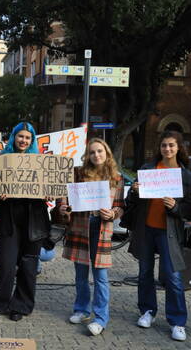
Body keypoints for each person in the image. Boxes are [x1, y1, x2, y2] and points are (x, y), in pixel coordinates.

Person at [125, 130, 191, 341]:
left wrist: (176, 207)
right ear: (159, 148)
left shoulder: (186, 175)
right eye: (164, 145)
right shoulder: (148, 169)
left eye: (171, 145)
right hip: (147, 229)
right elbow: (134, 203)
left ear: (179, 148)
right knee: (145, 272)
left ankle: (177, 321)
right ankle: (147, 311)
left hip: (170, 233)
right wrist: (134, 191)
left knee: (173, 277)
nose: (167, 149)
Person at [55, 138, 125, 336]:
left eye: (100, 151)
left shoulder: (116, 178)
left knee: (101, 276)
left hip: (101, 229)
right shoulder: (77, 173)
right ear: (88, 155)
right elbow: (64, 194)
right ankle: (81, 309)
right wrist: (63, 206)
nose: (96, 155)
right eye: (92, 152)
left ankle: (101, 318)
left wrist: (113, 214)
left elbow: (120, 206)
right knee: (80, 274)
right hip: (80, 227)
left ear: (107, 153)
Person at [0, 122, 50, 322]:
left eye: (27, 137)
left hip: (35, 220)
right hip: (9, 218)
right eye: (20, 136)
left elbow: (53, 189)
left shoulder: (42, 162)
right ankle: (0, 303)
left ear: (32, 140)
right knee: (6, 263)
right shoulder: (1, 161)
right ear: (14, 137)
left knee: (28, 265)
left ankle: (21, 306)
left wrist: (50, 192)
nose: (23, 140)